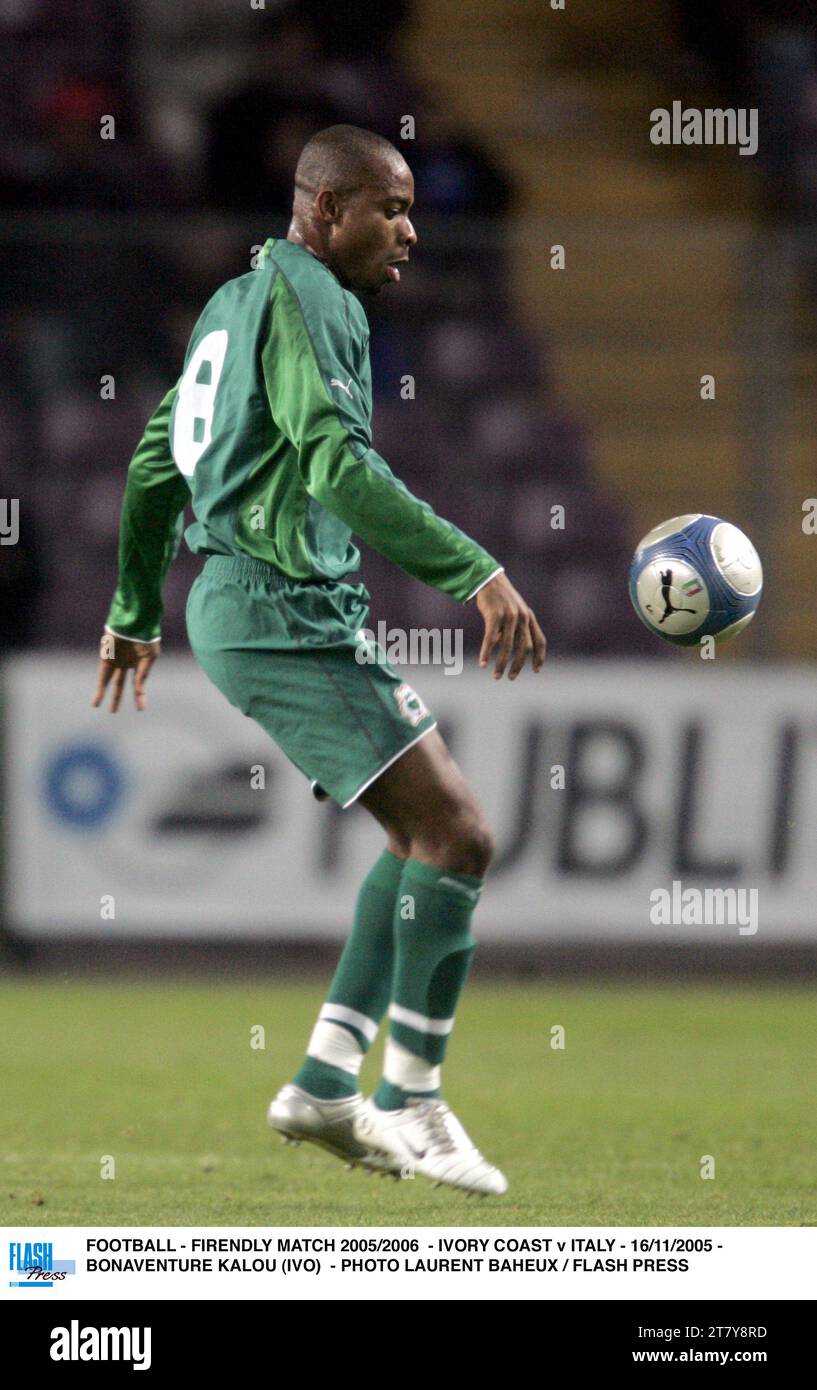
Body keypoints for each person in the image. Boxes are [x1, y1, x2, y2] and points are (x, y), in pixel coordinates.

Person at [92, 124, 546, 1197]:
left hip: (248, 604)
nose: (410, 231)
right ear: (323, 210)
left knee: (420, 837)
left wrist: (130, 610)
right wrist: (477, 570)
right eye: (388, 209)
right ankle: (410, 1097)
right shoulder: (313, 298)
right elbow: (340, 469)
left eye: (410, 208)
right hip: (275, 604)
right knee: (461, 832)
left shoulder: (232, 305)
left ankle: (328, 1077)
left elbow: (158, 465)